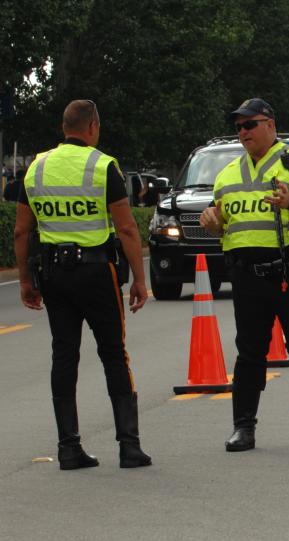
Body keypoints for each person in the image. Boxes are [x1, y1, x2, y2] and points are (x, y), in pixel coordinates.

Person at [13, 99, 152, 470]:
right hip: (96, 272)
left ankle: (69, 448)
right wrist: (139, 279)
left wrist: (26, 280)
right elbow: (125, 227)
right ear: (93, 126)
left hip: (55, 274)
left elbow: (21, 230)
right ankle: (129, 446)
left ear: (63, 128)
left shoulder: (36, 168)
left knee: (64, 356)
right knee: (113, 353)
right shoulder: (102, 165)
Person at [199, 98, 289, 453]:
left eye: (250, 124)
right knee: (249, 353)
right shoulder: (227, 174)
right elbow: (226, 226)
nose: (243, 132)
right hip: (247, 277)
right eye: (238, 127)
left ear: (270, 125)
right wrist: (214, 226)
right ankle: (243, 428)